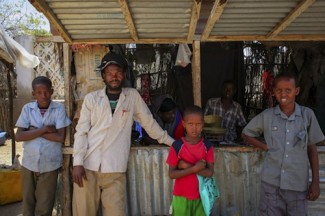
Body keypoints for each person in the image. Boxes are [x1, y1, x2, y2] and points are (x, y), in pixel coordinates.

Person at [72, 52, 174, 216]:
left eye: (118, 72)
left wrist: (172, 142)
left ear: (124, 75)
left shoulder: (131, 96)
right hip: (87, 167)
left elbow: (149, 123)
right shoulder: (92, 99)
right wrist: (77, 162)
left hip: (115, 170)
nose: (114, 76)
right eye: (110, 73)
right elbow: (81, 132)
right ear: (103, 76)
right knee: (83, 212)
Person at [242, 72, 325, 216]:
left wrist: (315, 182)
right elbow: (245, 133)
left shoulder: (307, 115)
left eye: (288, 90)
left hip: (297, 186)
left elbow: (312, 149)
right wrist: (264, 146)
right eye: (279, 90)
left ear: (296, 91)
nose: (283, 94)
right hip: (271, 186)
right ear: (273, 92)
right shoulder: (267, 116)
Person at [15, 76, 71, 216]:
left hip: (49, 165)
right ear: (33, 94)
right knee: (28, 205)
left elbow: (60, 137)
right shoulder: (27, 109)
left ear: (52, 91)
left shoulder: (58, 109)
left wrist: (32, 131)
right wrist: (44, 130)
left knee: (44, 207)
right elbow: (18, 136)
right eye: (39, 93)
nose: (43, 95)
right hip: (29, 163)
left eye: (46, 92)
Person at [166, 105, 214, 216]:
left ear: (203, 124)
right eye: (190, 124)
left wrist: (187, 166)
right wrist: (195, 168)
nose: (194, 128)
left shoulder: (207, 146)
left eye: (198, 124)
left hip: (202, 197)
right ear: (183, 124)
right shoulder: (177, 146)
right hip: (181, 196)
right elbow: (172, 174)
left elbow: (210, 172)